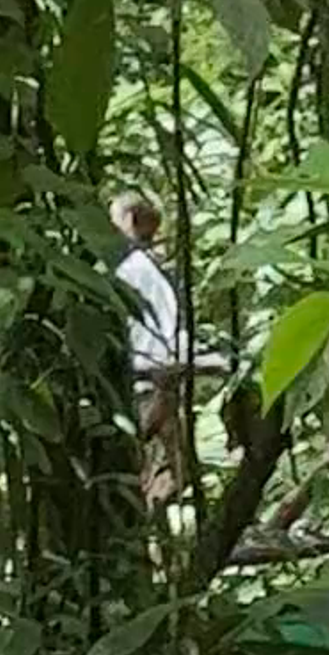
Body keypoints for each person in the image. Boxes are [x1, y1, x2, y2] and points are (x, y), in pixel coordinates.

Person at [112, 191, 188, 494]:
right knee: (174, 466)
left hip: (139, 381)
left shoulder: (126, 271)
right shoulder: (156, 271)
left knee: (133, 471)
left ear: (128, 222)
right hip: (162, 376)